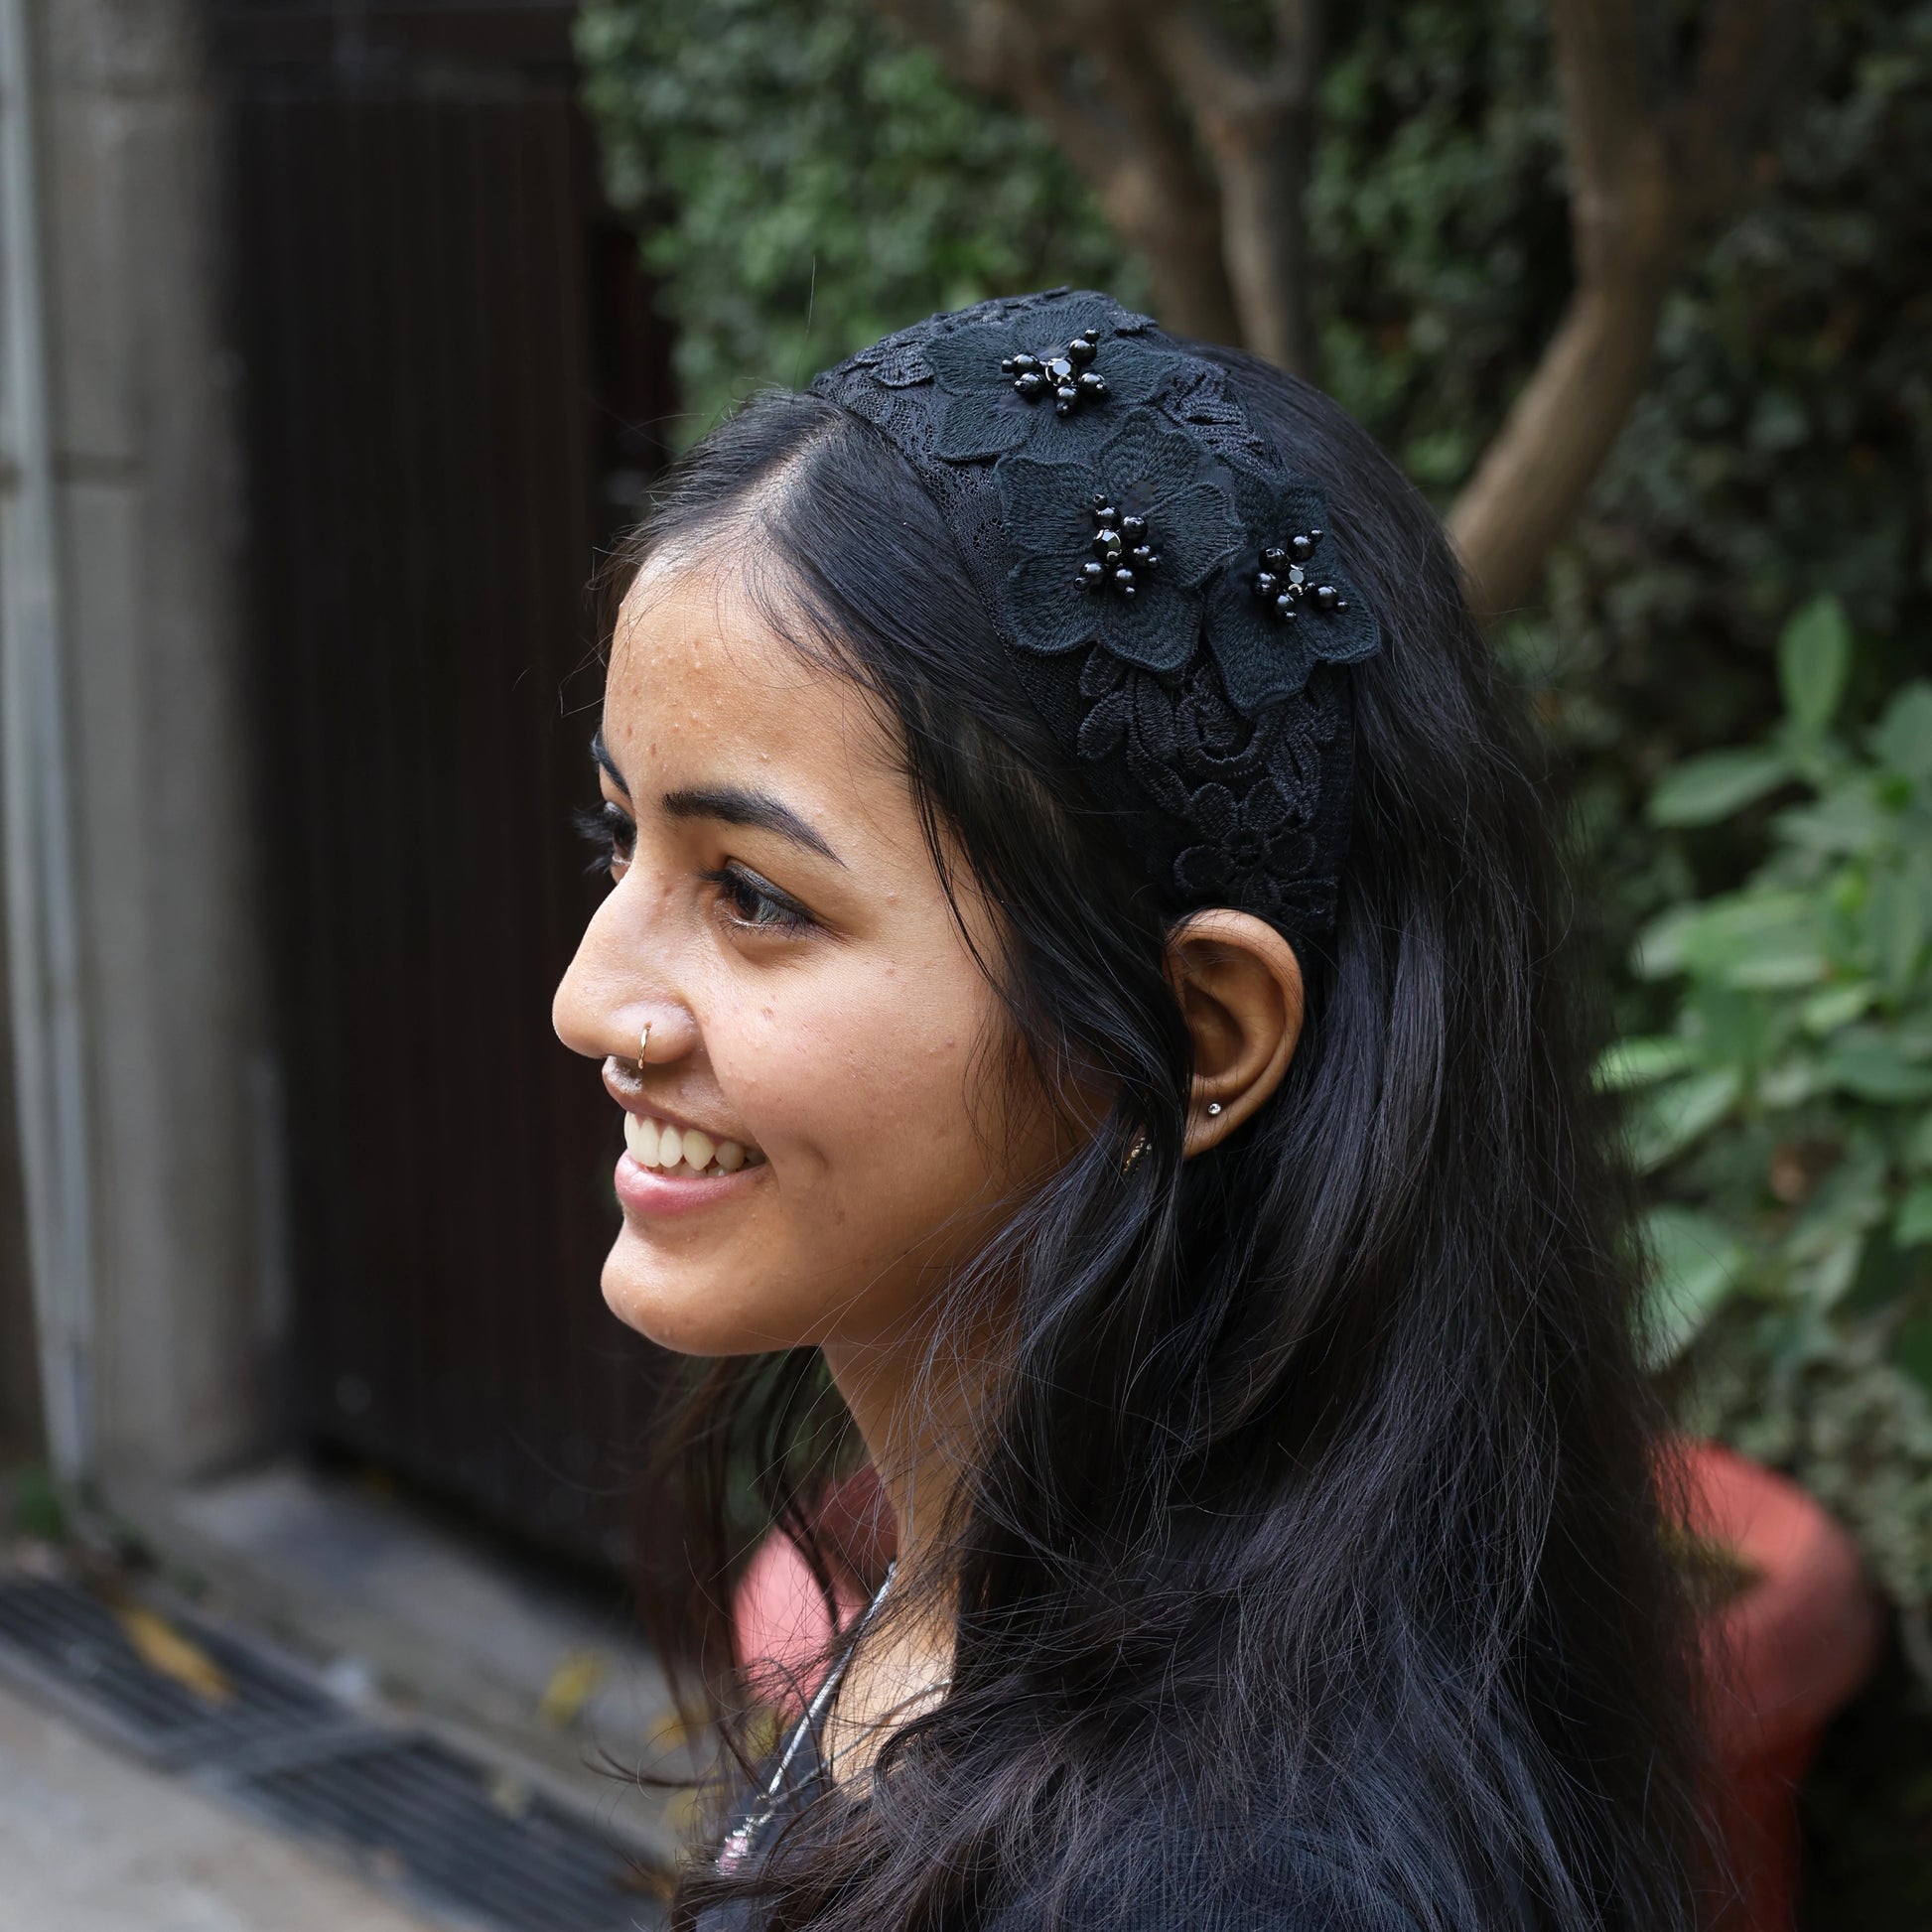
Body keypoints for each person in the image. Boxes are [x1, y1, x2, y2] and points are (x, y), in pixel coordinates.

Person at [552, 290, 1707, 1930]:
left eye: (750, 893)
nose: (593, 998)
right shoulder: (996, 1602)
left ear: (1198, 1029)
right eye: (617, 840)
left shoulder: (1235, 1877)